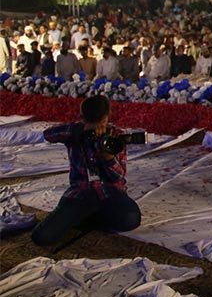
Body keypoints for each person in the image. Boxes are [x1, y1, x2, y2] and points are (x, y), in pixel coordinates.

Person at [31, 95, 142, 246]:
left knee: (131, 219)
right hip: (80, 193)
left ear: (106, 118)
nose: (98, 126)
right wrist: (79, 129)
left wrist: (108, 157)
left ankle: (83, 218)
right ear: (81, 117)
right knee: (42, 237)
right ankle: (85, 216)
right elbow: (48, 135)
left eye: (101, 121)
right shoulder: (74, 132)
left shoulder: (115, 135)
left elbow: (117, 178)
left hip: (110, 192)